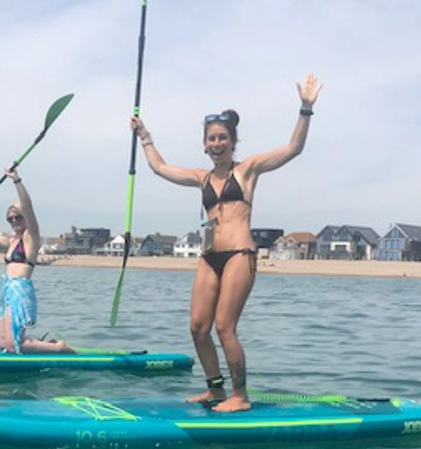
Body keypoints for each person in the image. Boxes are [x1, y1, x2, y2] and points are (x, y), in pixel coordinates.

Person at [130, 73, 322, 412]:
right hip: (209, 256)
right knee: (198, 327)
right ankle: (215, 390)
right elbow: (159, 168)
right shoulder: (200, 177)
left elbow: (293, 149)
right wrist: (145, 136)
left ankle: (240, 396)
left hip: (239, 254)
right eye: (211, 139)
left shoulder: (246, 170)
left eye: (222, 138)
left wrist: (305, 109)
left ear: (232, 142)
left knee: (224, 326)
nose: (217, 143)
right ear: (204, 144)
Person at [0, 167, 74, 354]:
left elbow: (28, 207)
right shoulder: (11, 240)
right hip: (7, 290)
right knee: (3, 343)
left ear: (24, 218)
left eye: (18, 217)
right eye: (10, 219)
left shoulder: (31, 237)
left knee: (12, 343)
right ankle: (41, 346)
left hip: (21, 290)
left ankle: (58, 347)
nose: (14, 221)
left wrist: (16, 180)